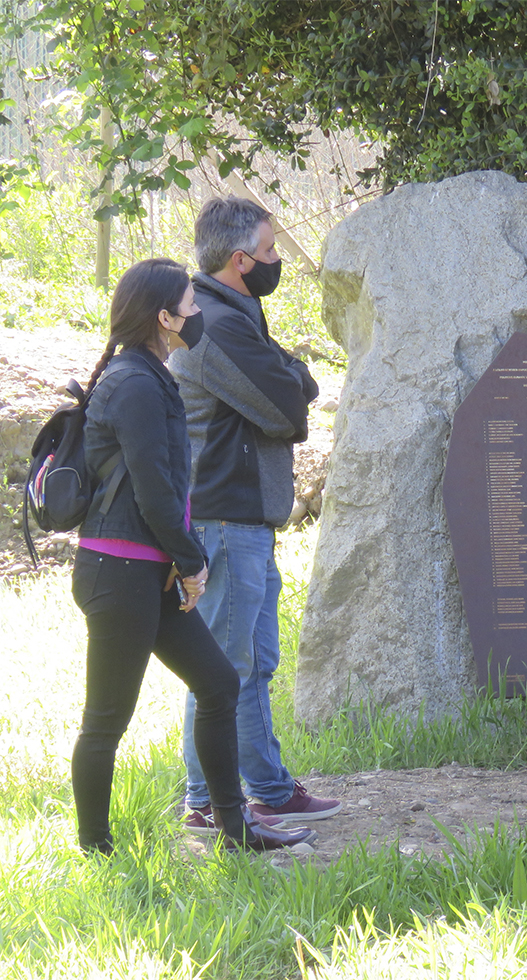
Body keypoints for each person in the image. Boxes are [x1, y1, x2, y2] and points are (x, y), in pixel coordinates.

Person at [70, 258, 314, 853]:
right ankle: (95, 850)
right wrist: (193, 561)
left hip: (146, 570)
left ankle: (235, 831)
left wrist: (181, 560)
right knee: (107, 720)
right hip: (119, 573)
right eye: (190, 304)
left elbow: (170, 486)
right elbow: (155, 489)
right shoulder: (133, 384)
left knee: (218, 683)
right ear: (164, 318)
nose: (198, 312)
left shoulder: (151, 376)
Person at [167, 197, 341, 828]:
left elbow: (298, 383)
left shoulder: (237, 312)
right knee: (227, 666)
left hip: (242, 518)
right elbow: (287, 409)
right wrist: (290, 376)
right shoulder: (212, 322)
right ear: (239, 260)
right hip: (223, 516)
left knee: (247, 662)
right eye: (269, 253)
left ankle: (251, 789)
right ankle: (217, 799)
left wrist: (289, 373)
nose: (276, 262)